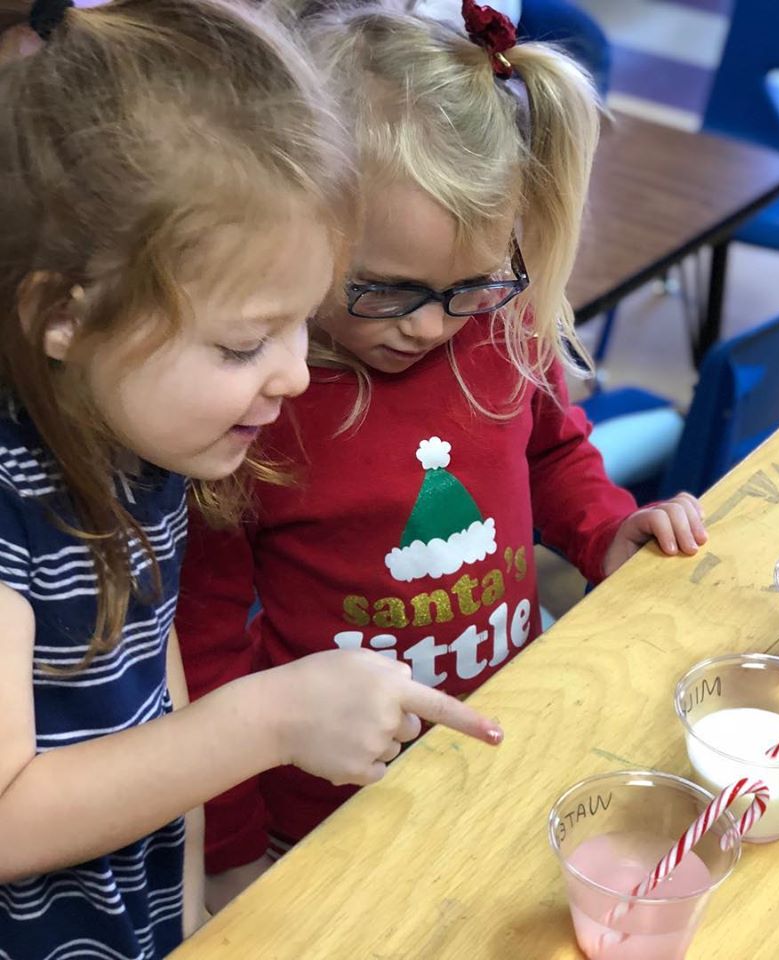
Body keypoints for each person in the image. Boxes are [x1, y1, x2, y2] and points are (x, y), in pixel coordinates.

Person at [176, 0, 707, 912]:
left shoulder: (494, 330)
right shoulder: (256, 406)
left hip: (508, 746)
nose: (430, 324)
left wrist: (610, 534)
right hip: (327, 815)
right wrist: (226, 850)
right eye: (387, 290)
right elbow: (207, 651)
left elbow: (555, 452)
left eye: (468, 285)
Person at [0, 1, 500, 957]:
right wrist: (268, 720)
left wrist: (187, 910)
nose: (296, 376)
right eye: (242, 344)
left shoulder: (138, 441)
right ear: (61, 313)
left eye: (301, 326)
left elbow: (157, 689)